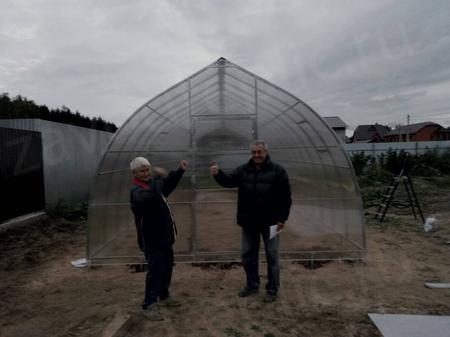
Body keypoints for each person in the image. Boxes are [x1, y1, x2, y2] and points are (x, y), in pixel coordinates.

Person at [210, 140, 292, 303]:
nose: (256, 155)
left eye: (259, 152)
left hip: (272, 222)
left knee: (272, 256)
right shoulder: (244, 170)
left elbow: (286, 197)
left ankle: (272, 289)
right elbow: (229, 181)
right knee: (247, 255)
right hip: (249, 222)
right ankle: (252, 285)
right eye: (254, 152)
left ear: (265, 152)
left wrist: (282, 219)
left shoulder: (278, 171)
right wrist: (217, 173)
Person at [130, 157, 188, 320]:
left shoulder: (151, 184)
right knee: (155, 271)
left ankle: (164, 294)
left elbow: (166, 186)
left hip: (165, 236)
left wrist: (179, 171)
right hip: (152, 239)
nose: (146, 172)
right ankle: (149, 304)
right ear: (134, 173)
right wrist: (157, 178)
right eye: (142, 170)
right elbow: (152, 197)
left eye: (148, 169)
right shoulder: (137, 190)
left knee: (167, 267)